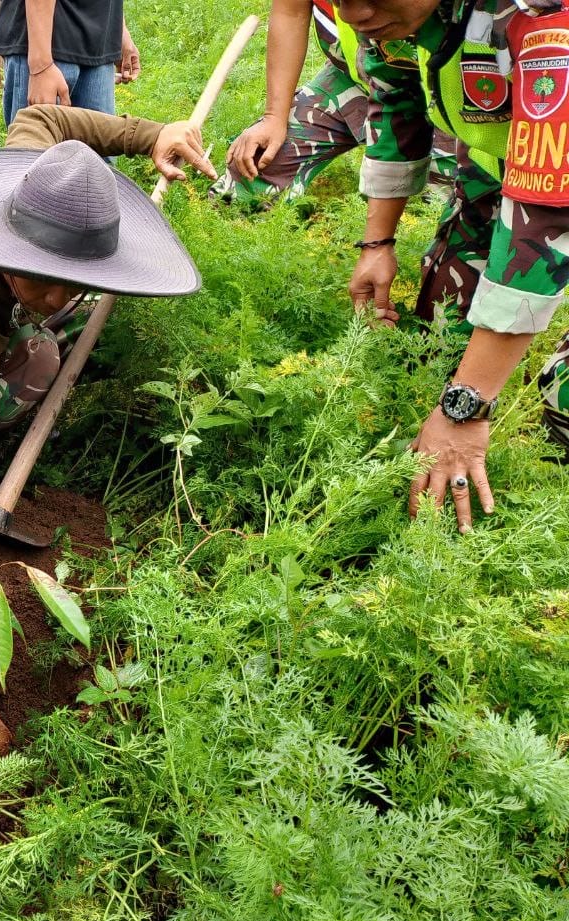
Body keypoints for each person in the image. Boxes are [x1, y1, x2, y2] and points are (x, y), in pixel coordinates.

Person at [0, 105, 216, 731]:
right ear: (9, 253)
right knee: (39, 357)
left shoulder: (37, 177)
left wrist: (151, 137)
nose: (64, 296)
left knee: (43, 330)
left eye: (75, 280)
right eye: (46, 281)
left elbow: (44, 115)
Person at [337, 0, 569, 532]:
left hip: (553, 187)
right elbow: (396, 105)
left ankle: (542, 515)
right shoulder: (400, 17)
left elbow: (544, 226)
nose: (353, 13)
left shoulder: (544, 23)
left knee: (565, 389)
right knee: (440, 316)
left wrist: (467, 407)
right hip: (508, 165)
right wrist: (377, 242)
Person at [212, 0, 456, 204]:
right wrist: (274, 117)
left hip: (449, 87)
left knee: (447, 197)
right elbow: (291, 12)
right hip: (355, 80)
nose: (348, 13)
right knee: (256, 164)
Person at [0, 0, 141, 125]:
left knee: (97, 160)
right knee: (35, 156)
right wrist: (41, 64)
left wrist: (120, 30)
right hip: (46, 46)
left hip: (99, 44)